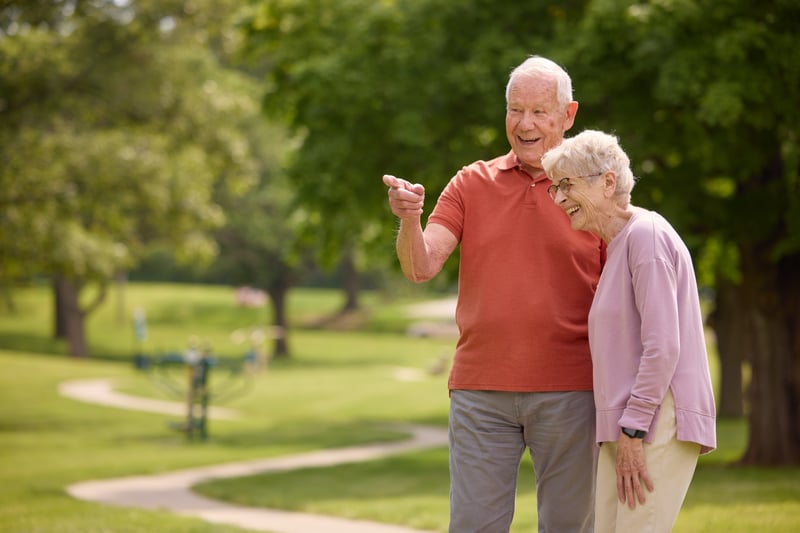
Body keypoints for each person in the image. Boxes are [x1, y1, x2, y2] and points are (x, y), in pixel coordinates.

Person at [383, 56, 605, 532]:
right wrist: (408, 220)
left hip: (572, 392)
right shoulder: (470, 183)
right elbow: (421, 266)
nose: (524, 124)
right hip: (480, 392)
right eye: (514, 110)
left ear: (568, 115)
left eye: (540, 112)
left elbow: (625, 298)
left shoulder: (595, 190)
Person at [541, 130, 717, 533]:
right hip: (630, 424)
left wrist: (635, 429)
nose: (559, 198)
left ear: (607, 182)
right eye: (556, 187)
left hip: (654, 419)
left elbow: (663, 345)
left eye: (566, 185)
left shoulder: (645, 237)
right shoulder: (622, 244)